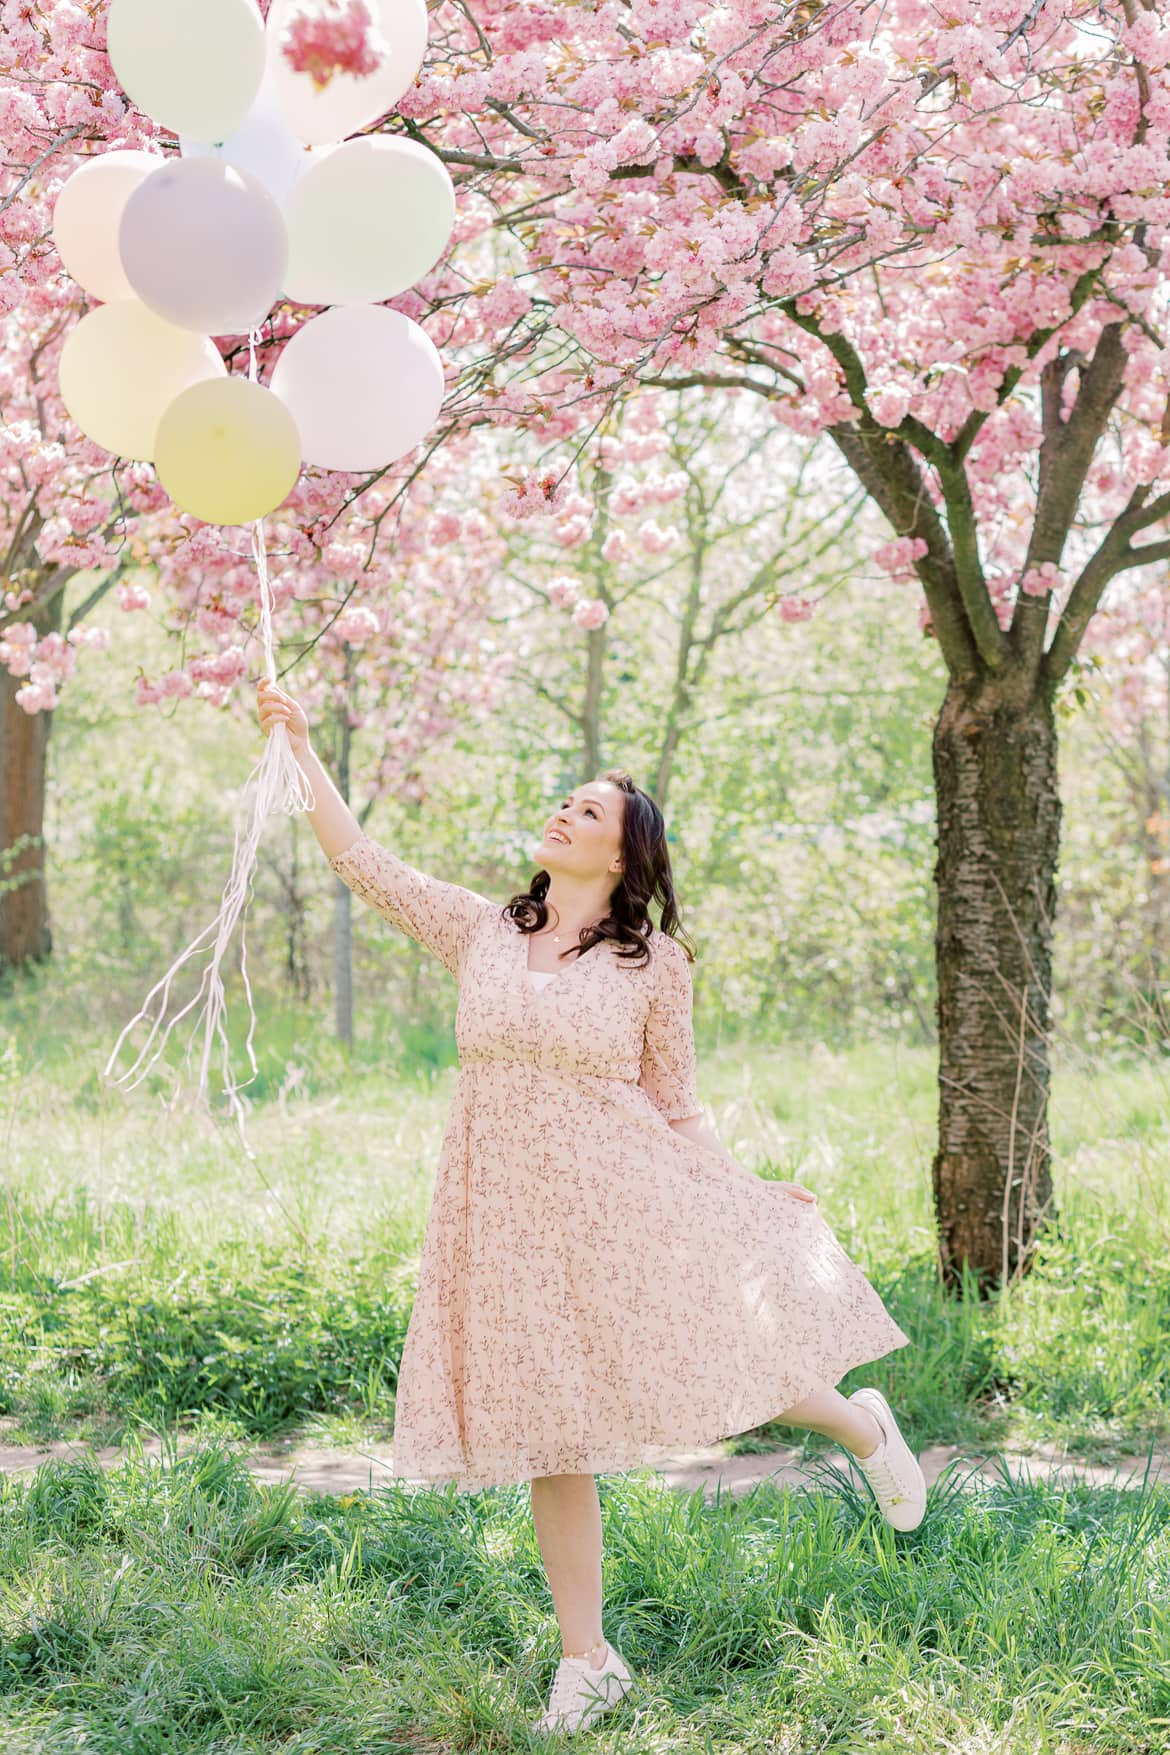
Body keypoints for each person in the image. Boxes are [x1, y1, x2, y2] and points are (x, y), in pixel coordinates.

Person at [257, 677, 926, 1737]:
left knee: (708, 1347)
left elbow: (676, 1102)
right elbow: (359, 861)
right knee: (549, 1432)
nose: (563, 813)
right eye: (562, 802)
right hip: (504, 1215)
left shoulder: (655, 964)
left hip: (625, 1196)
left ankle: (857, 1423)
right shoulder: (480, 929)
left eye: (589, 810)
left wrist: (742, 1188)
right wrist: (295, 744)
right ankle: (590, 1659)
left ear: (622, 854)